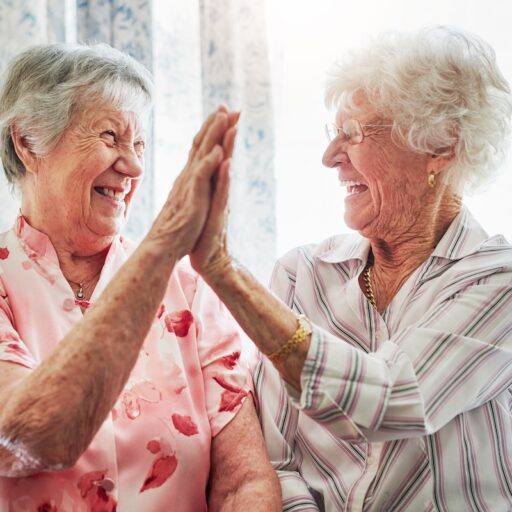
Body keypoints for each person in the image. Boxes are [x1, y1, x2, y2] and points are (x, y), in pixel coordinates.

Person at [191, 26, 512, 511]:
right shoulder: (300, 275)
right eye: (333, 132)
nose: (329, 157)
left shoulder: (497, 280)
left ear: (441, 146)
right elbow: (279, 462)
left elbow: (389, 400)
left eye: (354, 133)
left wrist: (222, 270)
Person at [0, 43, 281, 511]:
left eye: (140, 143)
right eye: (110, 137)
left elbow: (243, 483)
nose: (132, 166)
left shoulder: (192, 289)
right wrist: (165, 241)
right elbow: (27, 437)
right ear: (27, 142)